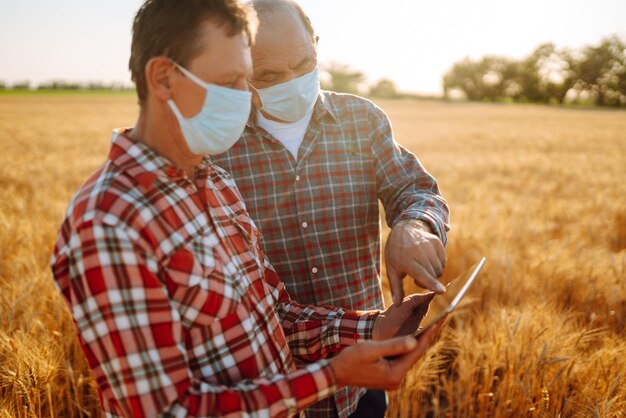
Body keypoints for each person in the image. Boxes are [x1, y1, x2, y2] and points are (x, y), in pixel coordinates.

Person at [50, 1, 445, 417]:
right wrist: (332, 375)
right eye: (236, 79)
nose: (247, 98)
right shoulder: (108, 223)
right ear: (163, 78)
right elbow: (167, 411)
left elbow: (271, 316)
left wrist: (371, 328)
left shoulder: (215, 184)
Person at [211, 1, 451, 416]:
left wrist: (413, 225)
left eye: (304, 64)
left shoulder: (362, 119)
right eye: (268, 76)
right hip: (272, 390)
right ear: (239, 72)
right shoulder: (216, 149)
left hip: (362, 381)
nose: (291, 82)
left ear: (317, 46)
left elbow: (413, 187)